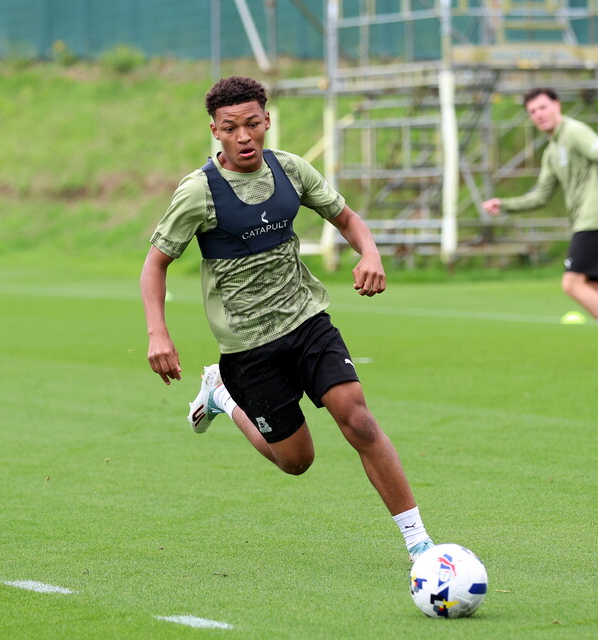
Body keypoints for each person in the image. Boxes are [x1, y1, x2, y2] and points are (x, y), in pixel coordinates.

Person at [140, 75, 434, 562]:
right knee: (296, 461)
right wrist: (158, 333)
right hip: (248, 348)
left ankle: (419, 543)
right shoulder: (198, 193)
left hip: (307, 322)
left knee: (358, 420)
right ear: (214, 129)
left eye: (253, 124)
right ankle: (221, 394)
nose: (244, 137)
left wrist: (371, 254)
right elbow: (155, 264)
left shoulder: (292, 171)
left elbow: (347, 219)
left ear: (267, 121)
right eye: (231, 127)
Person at [481, 88, 598, 371]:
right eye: (532, 112)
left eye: (542, 107)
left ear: (557, 106)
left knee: (571, 284)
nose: (538, 115)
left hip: (595, 218)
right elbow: (541, 196)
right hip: (587, 222)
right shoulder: (551, 151)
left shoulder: (574, 131)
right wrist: (505, 204)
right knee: (596, 288)